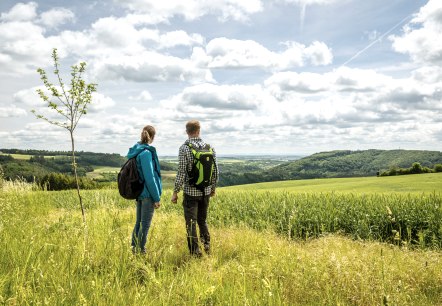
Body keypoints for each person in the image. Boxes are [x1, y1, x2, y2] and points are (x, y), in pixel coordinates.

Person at [171, 120, 219, 256]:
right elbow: (216, 172)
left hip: (191, 193)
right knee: (202, 221)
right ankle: (207, 247)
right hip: (206, 191)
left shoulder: (184, 148)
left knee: (191, 223)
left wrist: (175, 192)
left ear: (187, 132)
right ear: (199, 130)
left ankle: (195, 253)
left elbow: (181, 172)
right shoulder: (210, 148)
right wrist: (213, 188)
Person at [126, 125, 162, 255]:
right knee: (145, 224)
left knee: (139, 223)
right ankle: (140, 252)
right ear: (152, 137)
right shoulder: (146, 153)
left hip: (139, 192)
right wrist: (157, 198)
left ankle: (134, 249)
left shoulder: (136, 151)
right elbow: (150, 177)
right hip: (147, 194)